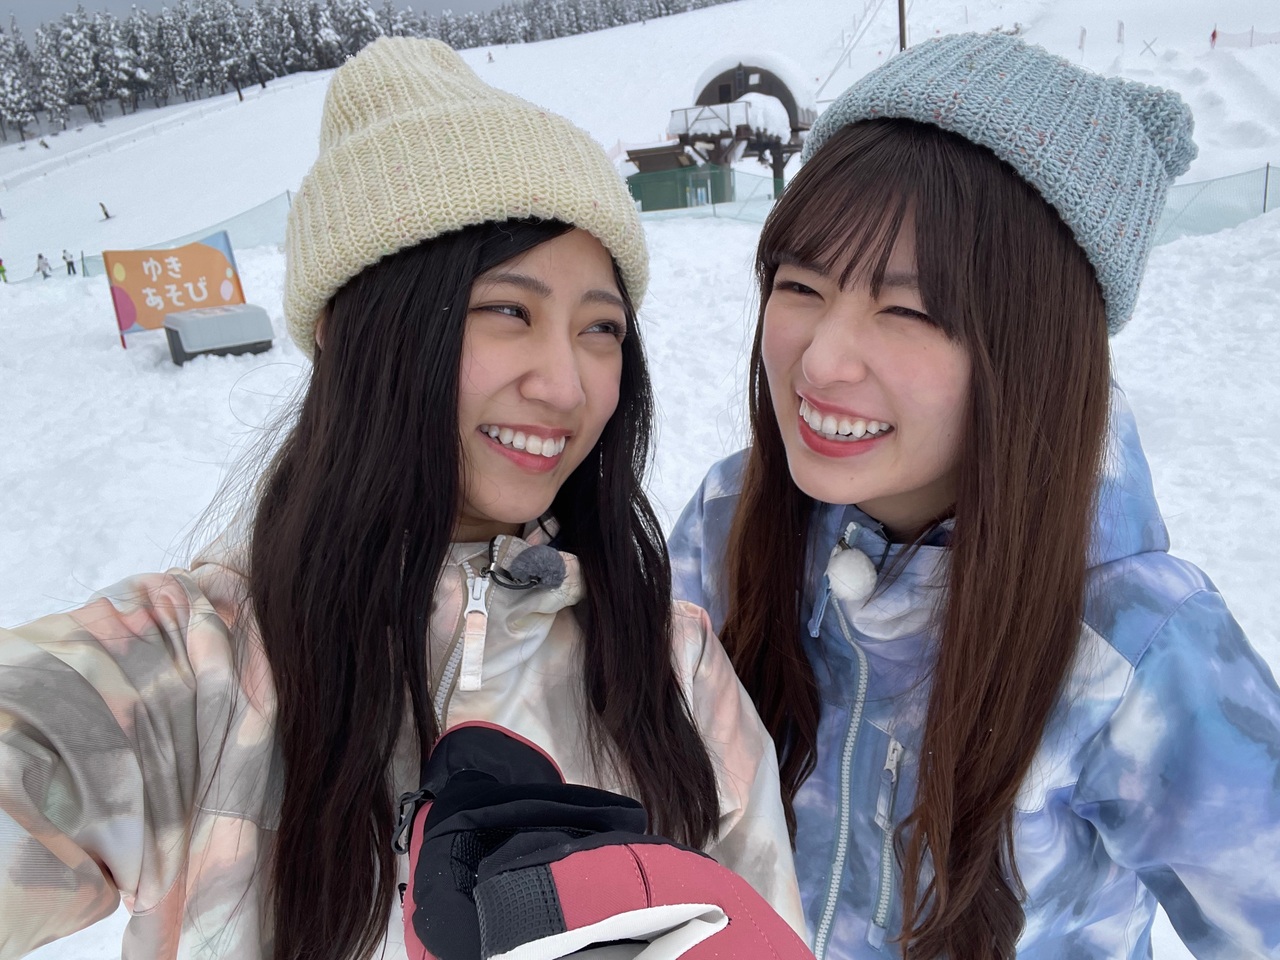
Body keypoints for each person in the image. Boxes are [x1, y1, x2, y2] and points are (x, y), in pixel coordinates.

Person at [0, 38, 805, 959]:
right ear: (359, 332)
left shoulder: (673, 667)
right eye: (509, 310)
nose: (567, 384)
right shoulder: (199, 669)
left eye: (601, 328)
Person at [668, 32, 1280, 960]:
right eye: (801, 285)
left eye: (907, 311)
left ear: (1034, 351)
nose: (822, 361)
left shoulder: (1135, 644)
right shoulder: (733, 516)